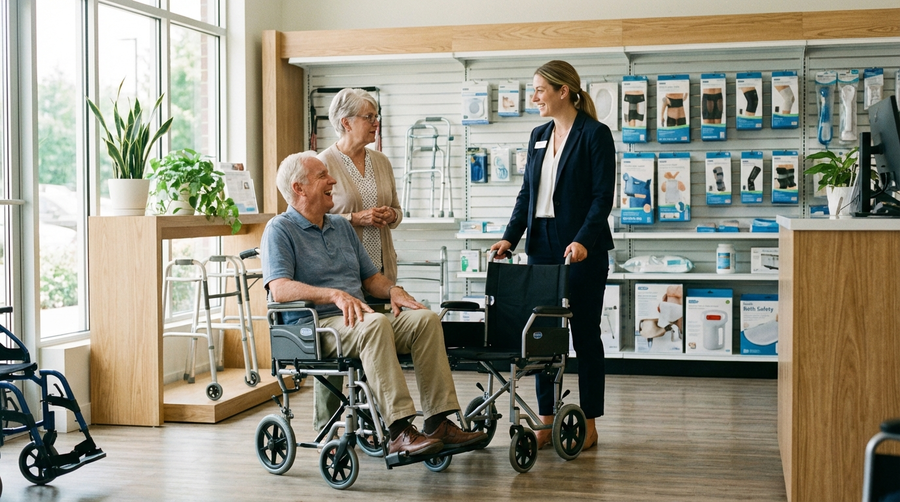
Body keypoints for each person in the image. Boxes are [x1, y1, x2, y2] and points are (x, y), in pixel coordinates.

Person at [262, 151, 487, 457]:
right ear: (298, 188)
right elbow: (279, 289)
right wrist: (333, 295)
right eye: (322, 176)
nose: (332, 180)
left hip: (357, 318)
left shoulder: (340, 226)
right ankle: (398, 431)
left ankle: (438, 422)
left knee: (425, 320)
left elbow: (370, 279)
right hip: (316, 326)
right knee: (376, 324)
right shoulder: (279, 229)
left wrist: (393, 290)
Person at [490, 60, 616, 451]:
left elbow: (602, 198)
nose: (534, 97)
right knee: (542, 336)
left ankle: (589, 422)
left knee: (585, 336)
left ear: (564, 91)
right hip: (541, 245)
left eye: (540, 90)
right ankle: (546, 421)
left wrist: (583, 241)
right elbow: (527, 193)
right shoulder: (539, 135)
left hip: (581, 249)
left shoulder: (595, 134)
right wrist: (510, 238)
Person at [314, 88, 404, 431]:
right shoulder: (322, 163)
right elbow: (315, 218)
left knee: (378, 344)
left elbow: (398, 211)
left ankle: (374, 422)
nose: (375, 123)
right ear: (346, 122)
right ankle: (327, 426)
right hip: (341, 272)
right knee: (338, 352)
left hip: (379, 268)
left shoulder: (381, 161)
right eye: (369, 117)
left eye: (376, 116)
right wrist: (355, 218)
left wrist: (389, 215)